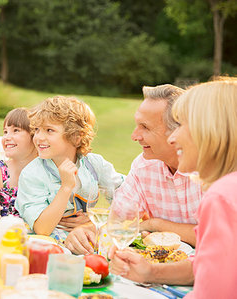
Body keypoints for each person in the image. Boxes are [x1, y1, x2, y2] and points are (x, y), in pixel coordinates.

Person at [109, 78, 237, 298]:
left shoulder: (222, 196)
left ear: (211, 132)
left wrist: (155, 224)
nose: (174, 136)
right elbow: (209, 265)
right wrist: (151, 271)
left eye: (183, 125)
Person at [65, 84, 202, 254]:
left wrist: (157, 225)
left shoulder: (214, 168)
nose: (134, 136)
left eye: (145, 127)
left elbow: (223, 237)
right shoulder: (144, 166)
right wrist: (86, 230)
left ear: (178, 129)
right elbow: (120, 216)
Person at [15, 96, 124, 239]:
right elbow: (42, 228)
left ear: (76, 137)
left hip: (88, 239)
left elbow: (129, 196)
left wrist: (97, 220)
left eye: (49, 130)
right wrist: (66, 187)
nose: (39, 137)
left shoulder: (94, 164)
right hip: (48, 244)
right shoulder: (32, 174)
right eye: (37, 129)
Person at [0, 108, 37, 217]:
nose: (7, 137)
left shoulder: (48, 170)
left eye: (16, 130)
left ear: (34, 135)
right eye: (5, 132)